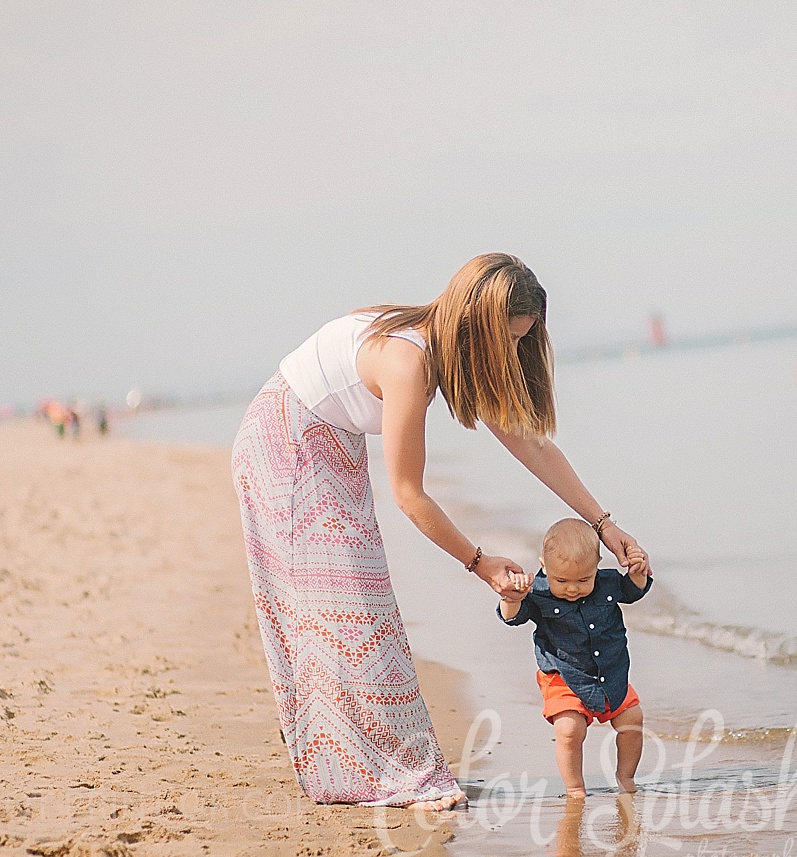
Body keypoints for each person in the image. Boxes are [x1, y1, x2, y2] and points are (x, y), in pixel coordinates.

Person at [230, 254, 644, 812]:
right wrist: (479, 562)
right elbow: (409, 493)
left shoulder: (446, 351)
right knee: (352, 610)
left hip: (326, 442)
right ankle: (384, 773)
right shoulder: (409, 361)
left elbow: (531, 444)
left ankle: (354, 763)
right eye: (508, 342)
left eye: (521, 343)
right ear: (475, 325)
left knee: (352, 609)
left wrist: (603, 524)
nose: (511, 356)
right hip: (286, 445)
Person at [497, 519, 651, 797]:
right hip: (562, 675)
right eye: (562, 580)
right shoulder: (538, 592)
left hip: (610, 673)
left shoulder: (606, 583)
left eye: (583, 580)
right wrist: (511, 597)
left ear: (597, 566)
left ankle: (626, 777)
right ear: (544, 564)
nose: (572, 588)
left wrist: (638, 570)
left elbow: (633, 590)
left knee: (632, 719)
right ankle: (575, 787)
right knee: (569, 729)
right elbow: (512, 618)